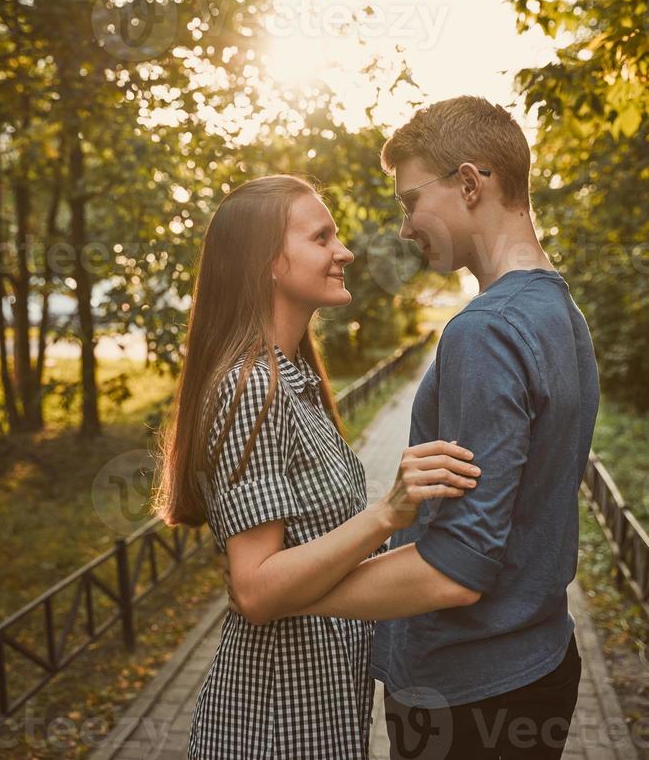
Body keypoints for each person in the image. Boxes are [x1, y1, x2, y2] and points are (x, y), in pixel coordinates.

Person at [236, 96, 598, 760]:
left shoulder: (485, 330)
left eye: (410, 201)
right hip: (540, 662)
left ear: (469, 182)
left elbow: (455, 572)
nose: (404, 227)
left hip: (467, 696)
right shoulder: (559, 309)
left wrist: (292, 592)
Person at [152, 174, 482, 760]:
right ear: (268, 263)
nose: (345, 251)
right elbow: (255, 590)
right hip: (273, 727)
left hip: (321, 714)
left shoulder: (296, 382)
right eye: (320, 237)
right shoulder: (250, 387)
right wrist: (387, 514)